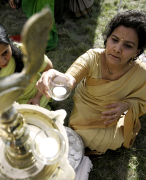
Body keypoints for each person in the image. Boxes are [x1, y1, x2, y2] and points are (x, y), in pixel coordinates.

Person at [36, 10, 146, 154]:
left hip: (112, 115)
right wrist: (53, 75)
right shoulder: (92, 57)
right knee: (82, 134)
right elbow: (70, 78)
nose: (117, 49)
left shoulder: (141, 73)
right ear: (107, 39)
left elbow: (142, 101)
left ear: (137, 52)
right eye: (114, 39)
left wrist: (125, 106)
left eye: (128, 46)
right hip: (86, 107)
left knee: (113, 139)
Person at [0, 19, 53, 128]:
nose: (3, 61)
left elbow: (48, 69)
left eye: (5, 52)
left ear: (9, 42)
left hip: (32, 101)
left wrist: (38, 96)